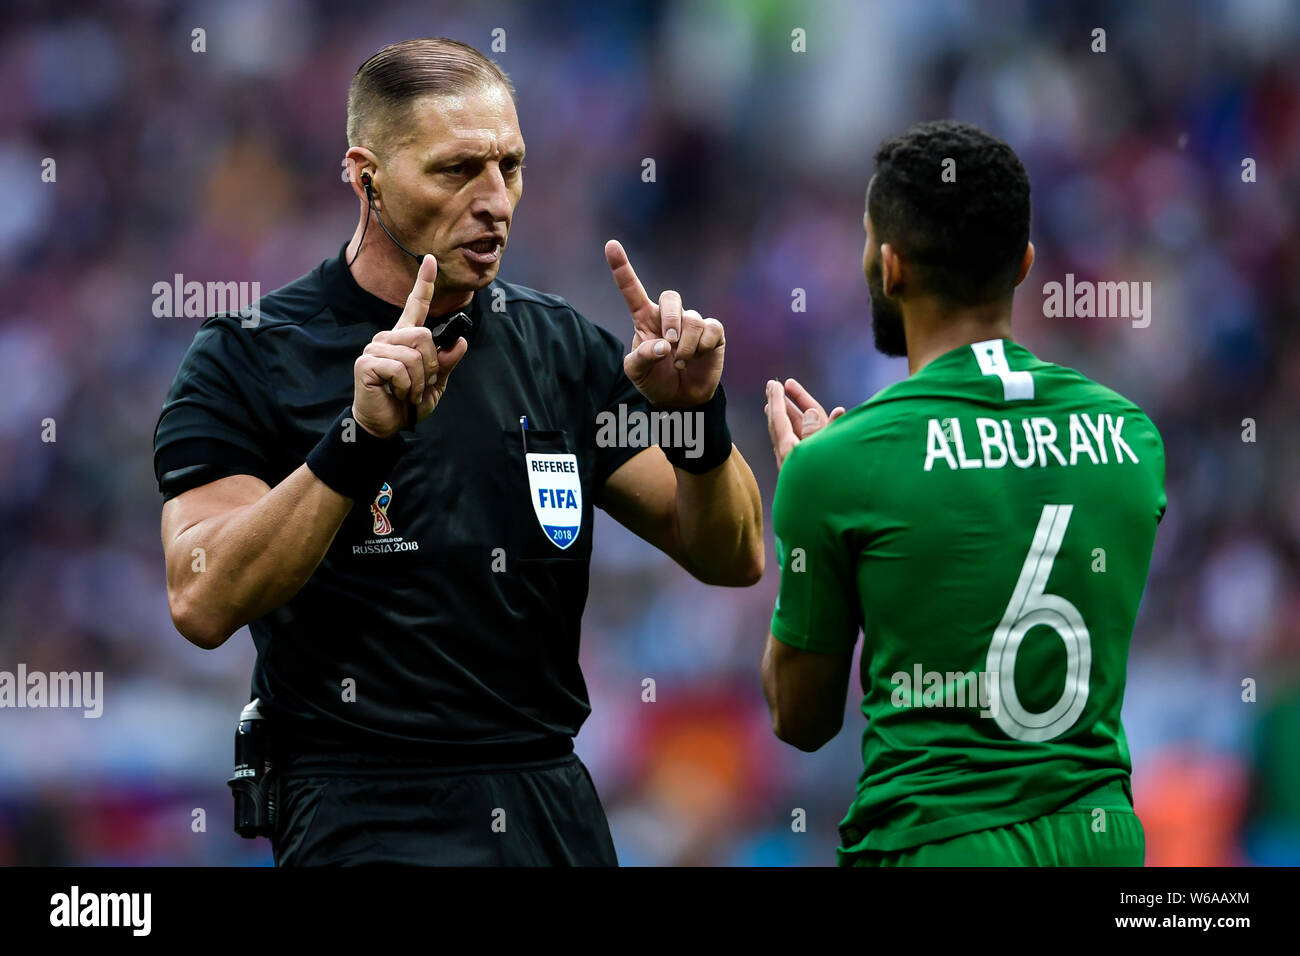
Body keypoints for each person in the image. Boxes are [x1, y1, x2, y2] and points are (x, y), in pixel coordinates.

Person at [153, 37, 763, 866]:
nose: (496, 201)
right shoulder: (249, 356)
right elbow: (201, 600)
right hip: (362, 816)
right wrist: (357, 443)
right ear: (365, 175)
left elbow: (732, 555)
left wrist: (697, 425)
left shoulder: (561, 348)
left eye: (510, 166)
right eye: (457, 170)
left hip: (548, 804)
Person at [761, 120, 1165, 866]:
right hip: (1104, 842)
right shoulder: (1132, 437)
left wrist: (809, 509)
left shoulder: (834, 467)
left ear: (890, 266)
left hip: (934, 845)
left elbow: (801, 717)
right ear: (1025, 264)